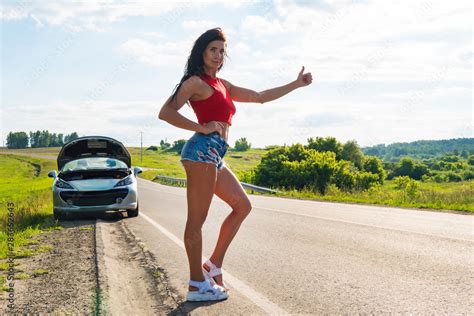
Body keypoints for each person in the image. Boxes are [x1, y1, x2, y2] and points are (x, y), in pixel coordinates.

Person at [158, 27, 312, 302]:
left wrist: (296, 84)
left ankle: (213, 265)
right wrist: (201, 127)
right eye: (212, 50)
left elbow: (259, 96)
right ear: (201, 53)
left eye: (221, 51)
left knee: (243, 205)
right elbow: (166, 112)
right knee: (197, 220)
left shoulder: (223, 85)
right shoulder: (195, 82)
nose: (218, 56)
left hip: (216, 154)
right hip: (201, 152)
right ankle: (196, 284)